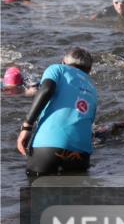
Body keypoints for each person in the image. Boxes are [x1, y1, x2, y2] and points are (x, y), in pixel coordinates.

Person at [16, 47, 98, 177]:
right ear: (89, 70)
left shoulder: (57, 69)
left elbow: (46, 89)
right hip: (81, 154)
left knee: (34, 191)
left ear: (63, 62)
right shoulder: (93, 88)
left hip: (49, 146)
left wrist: (27, 126)